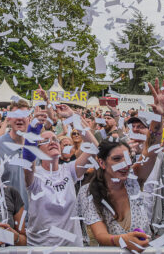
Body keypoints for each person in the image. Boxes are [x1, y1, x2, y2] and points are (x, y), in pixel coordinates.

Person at [77, 80, 164, 251]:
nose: (125, 164)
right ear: (102, 162)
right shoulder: (88, 191)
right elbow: (100, 236)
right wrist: (123, 240)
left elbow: (152, 148)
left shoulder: (133, 179)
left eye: (127, 158)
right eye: (117, 159)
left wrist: (158, 116)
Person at [23, 105, 99, 247]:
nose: (52, 142)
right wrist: (32, 131)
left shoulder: (69, 170)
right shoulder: (35, 175)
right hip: (42, 247)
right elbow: (27, 160)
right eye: (45, 141)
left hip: (72, 246)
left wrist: (72, 118)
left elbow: (94, 147)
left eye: (54, 139)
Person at [0, 99, 32, 206]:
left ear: (29, 118)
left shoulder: (35, 146)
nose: (19, 118)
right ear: (9, 119)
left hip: (33, 215)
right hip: (6, 213)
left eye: (23, 115)